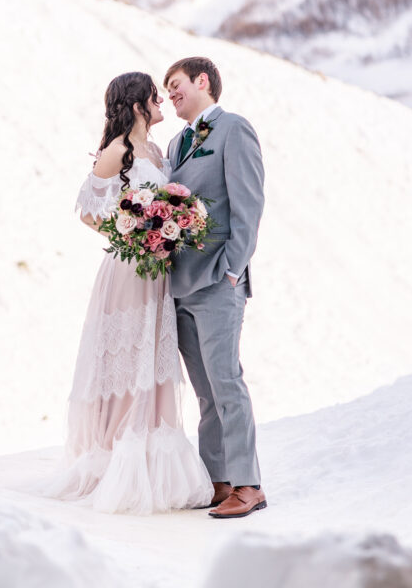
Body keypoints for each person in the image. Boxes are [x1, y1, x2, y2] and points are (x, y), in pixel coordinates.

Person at [38, 71, 212, 514]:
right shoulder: (118, 150)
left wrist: (166, 228)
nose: (161, 102)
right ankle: (117, 457)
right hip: (128, 270)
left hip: (157, 272)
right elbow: (88, 212)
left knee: (152, 360)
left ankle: (152, 461)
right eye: (154, 96)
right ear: (138, 105)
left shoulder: (154, 150)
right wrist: (130, 234)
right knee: (126, 359)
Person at [164, 56, 266, 518]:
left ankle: (249, 485)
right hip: (180, 283)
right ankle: (218, 480)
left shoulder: (233, 129)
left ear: (202, 80)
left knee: (226, 383)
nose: (170, 93)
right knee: (205, 392)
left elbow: (249, 203)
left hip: (218, 281)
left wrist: (232, 269)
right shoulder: (175, 143)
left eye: (176, 83)